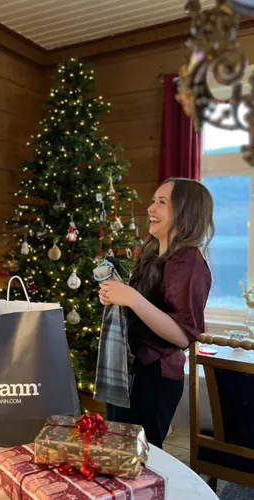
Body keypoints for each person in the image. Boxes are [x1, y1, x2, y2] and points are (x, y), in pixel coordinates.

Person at [98, 177, 214, 449]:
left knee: (140, 458)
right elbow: (143, 310)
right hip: (129, 370)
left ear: (186, 213)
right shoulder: (152, 255)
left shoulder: (188, 261)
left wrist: (133, 299)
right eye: (153, 200)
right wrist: (116, 297)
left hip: (154, 378)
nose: (150, 208)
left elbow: (183, 336)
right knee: (119, 453)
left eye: (162, 202)